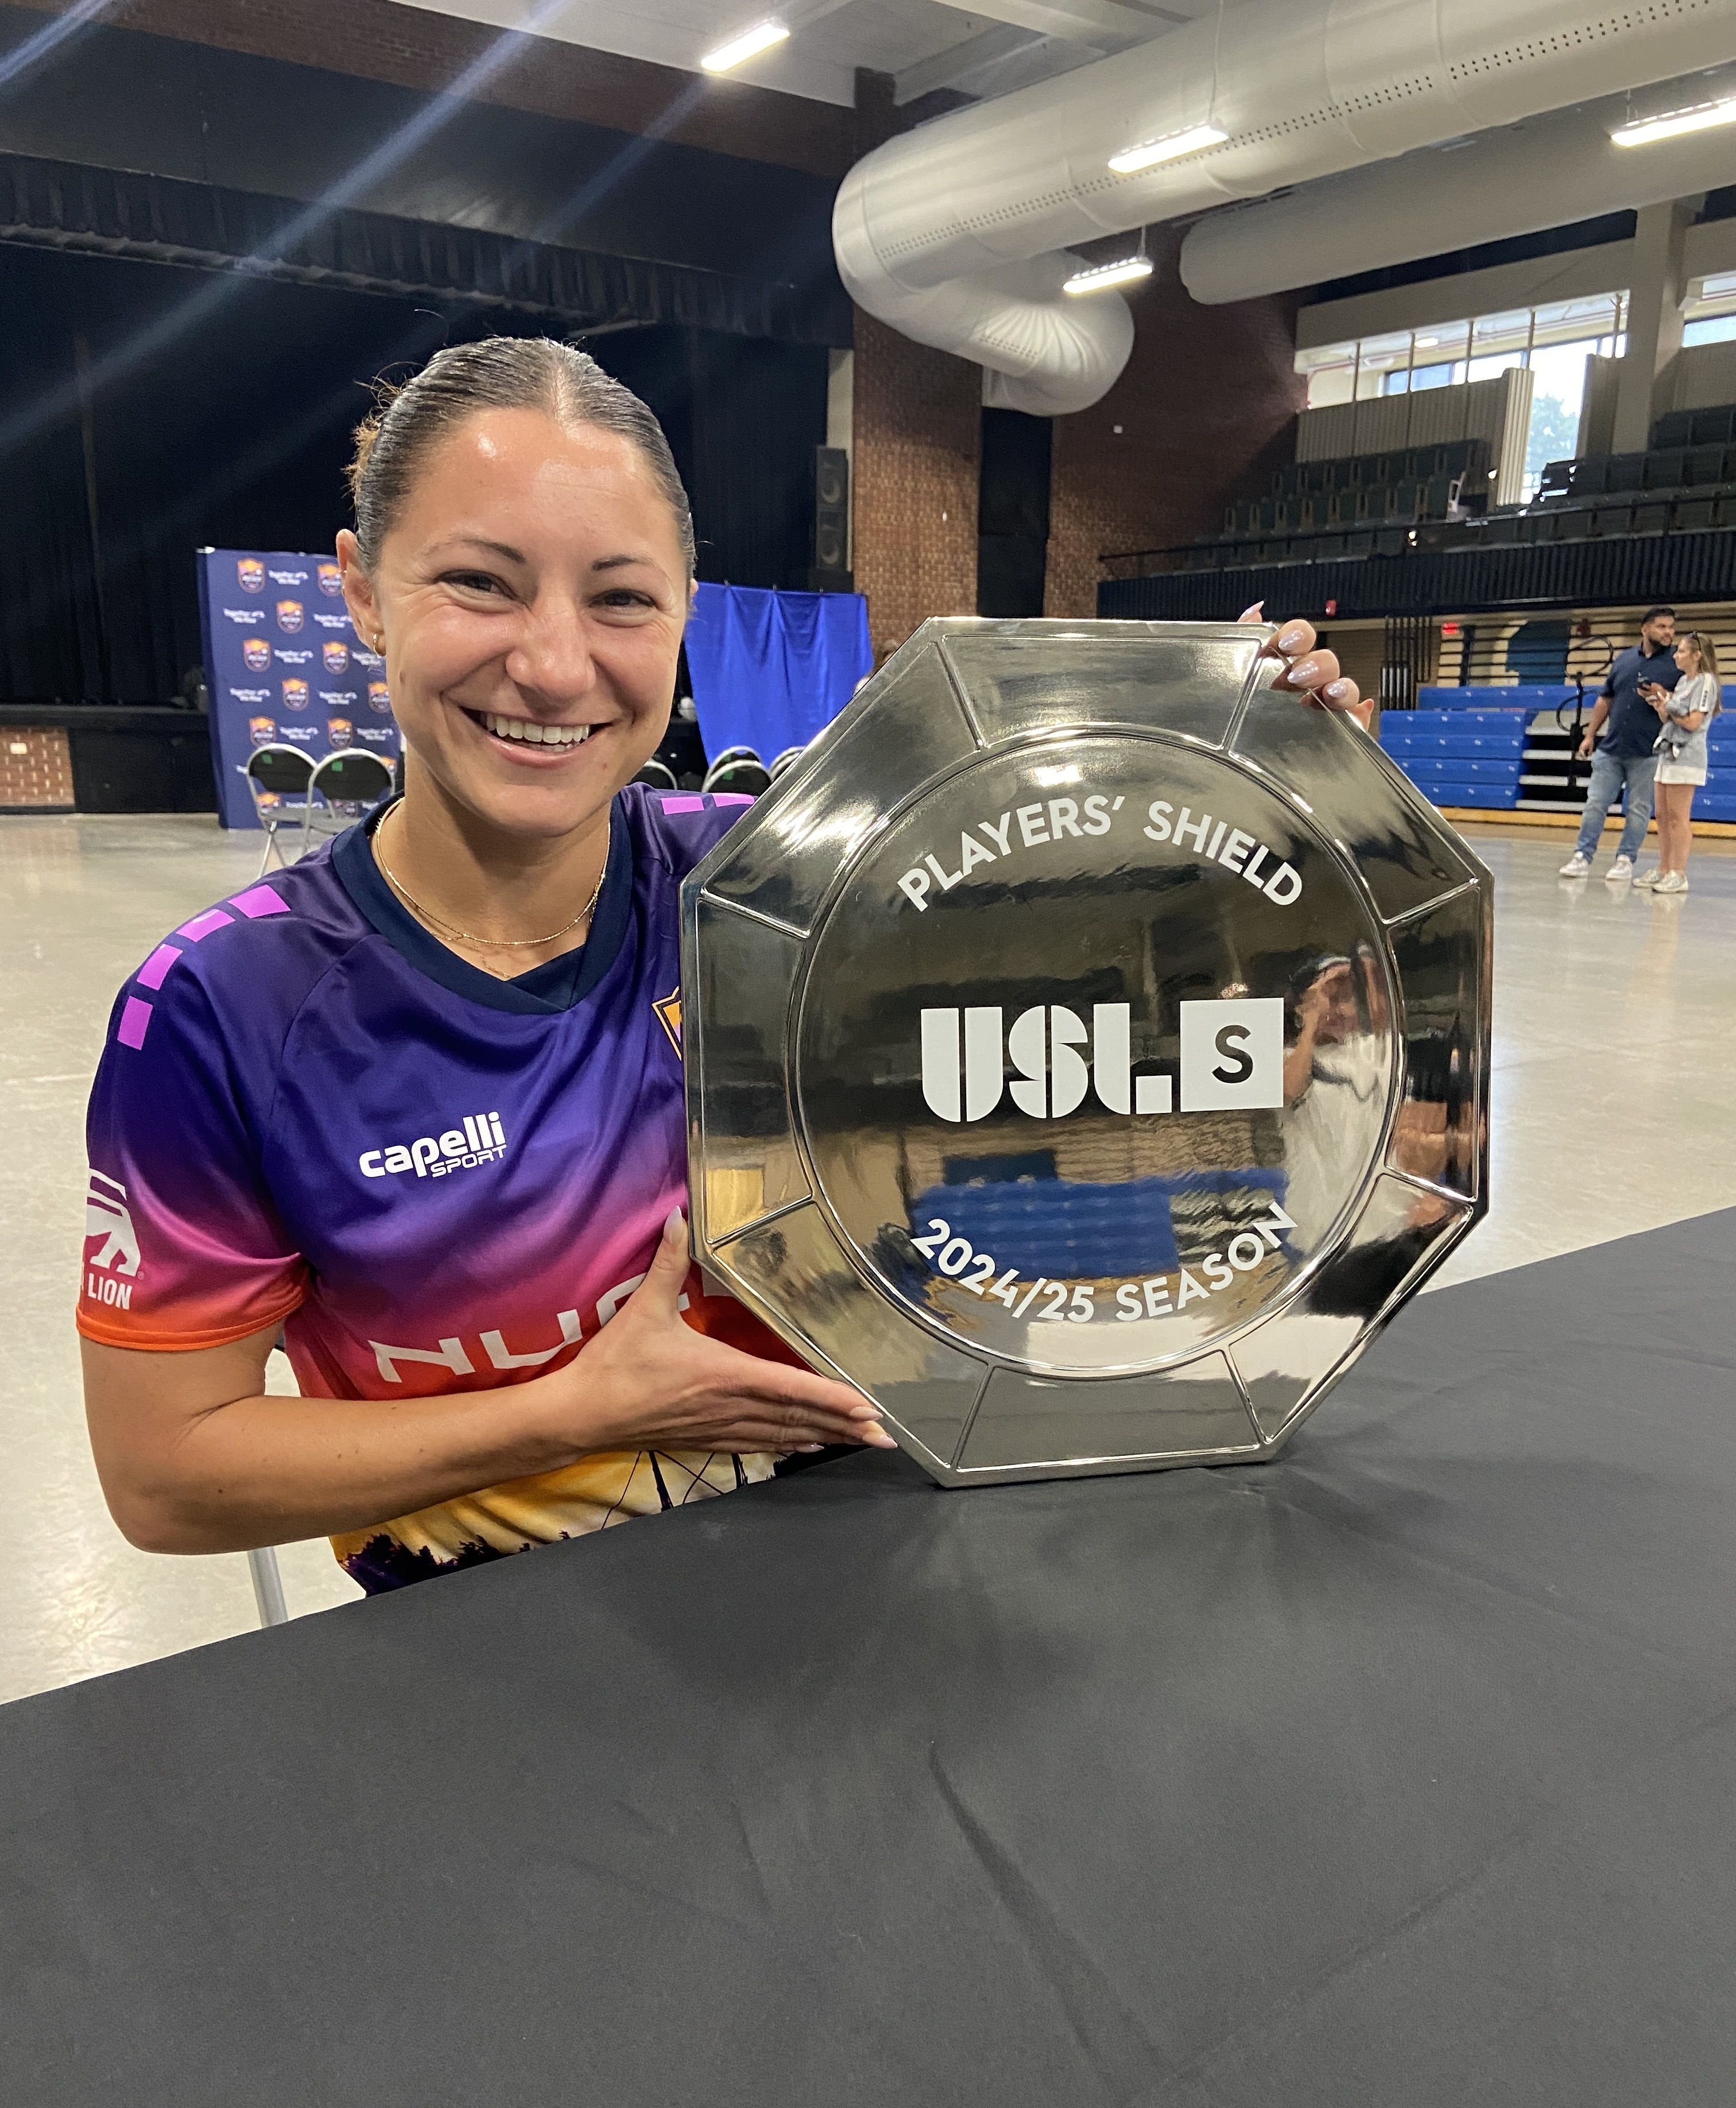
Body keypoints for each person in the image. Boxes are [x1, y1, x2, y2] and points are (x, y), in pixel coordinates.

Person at [77, 336, 1363, 1592]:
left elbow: (1093, 1046)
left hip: (867, 1555)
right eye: (480, 581)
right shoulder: (225, 1011)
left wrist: (1273, 805)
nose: (554, 664)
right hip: (493, 1632)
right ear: (361, 589)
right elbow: (165, 1475)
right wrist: (574, 1413)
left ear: (687, 609)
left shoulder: (784, 883)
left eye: (622, 598)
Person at [1560, 607, 1676, 882]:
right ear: (1645, 629)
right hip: (1612, 749)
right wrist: (1590, 735)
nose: (1668, 632)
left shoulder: (1676, 664)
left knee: (1638, 809)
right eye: (1661, 626)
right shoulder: (1625, 660)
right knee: (1595, 804)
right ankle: (1582, 856)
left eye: (1671, 627)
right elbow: (1606, 698)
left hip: (1648, 752)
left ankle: (1625, 859)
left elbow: (1683, 705)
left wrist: (1661, 693)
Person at [1636, 631, 1719, 893]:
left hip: (1687, 755)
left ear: (1697, 656)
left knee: (1678, 817)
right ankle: (1664, 868)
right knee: (1662, 815)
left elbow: (1693, 723)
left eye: (1682, 651)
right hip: (1668, 752)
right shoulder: (1683, 681)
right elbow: (1670, 719)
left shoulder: (1705, 682)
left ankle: (1678, 873)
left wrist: (1669, 703)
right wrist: (1661, 706)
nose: (1676, 656)